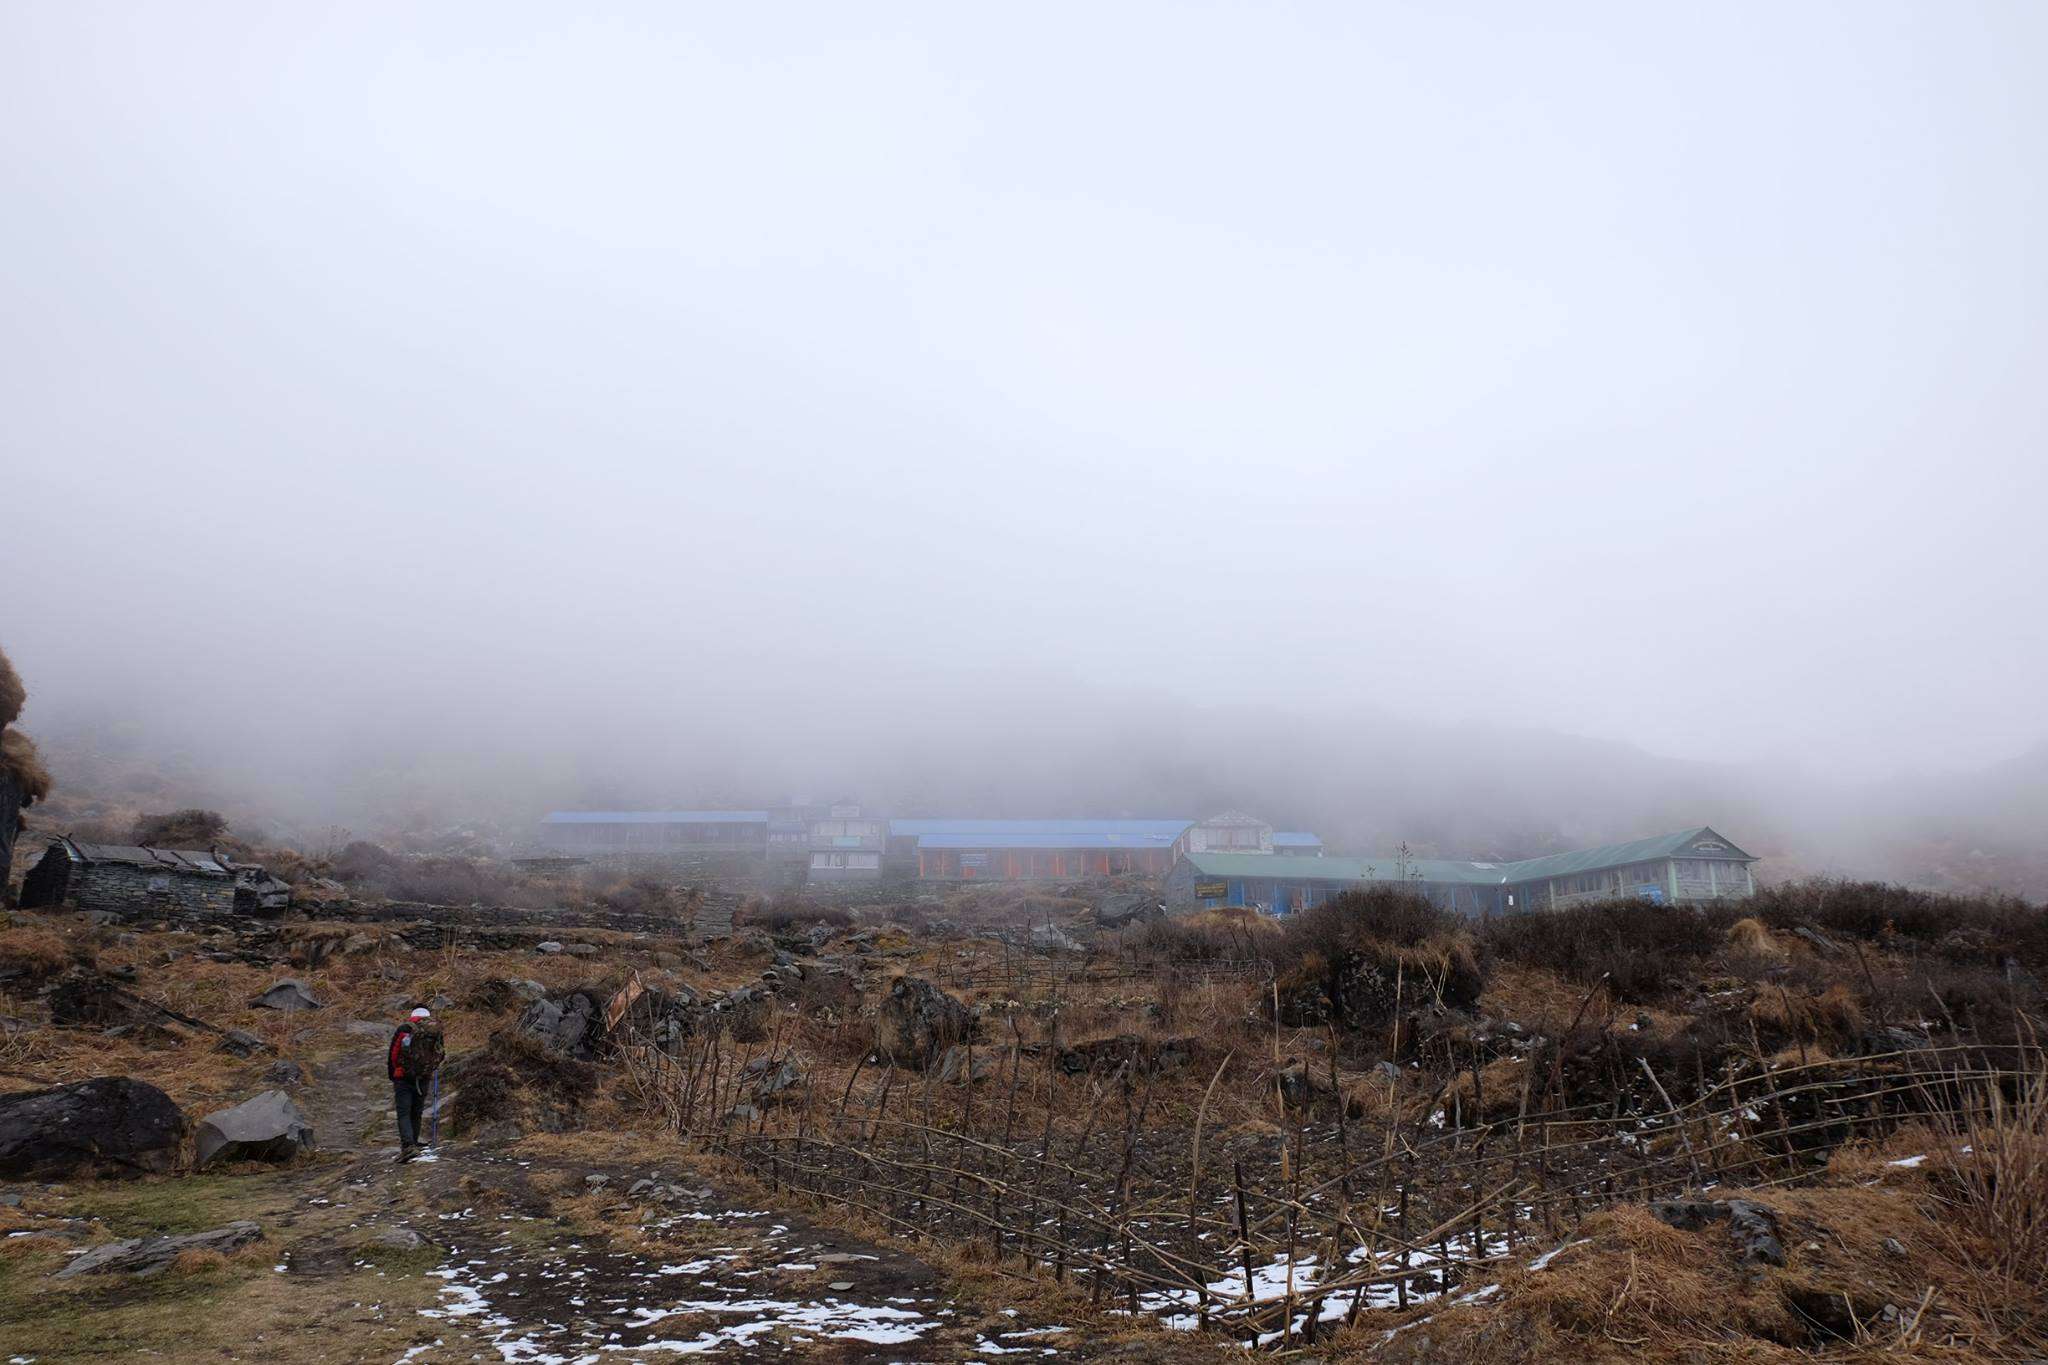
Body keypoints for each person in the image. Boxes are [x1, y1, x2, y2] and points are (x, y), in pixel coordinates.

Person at [387, 1006, 443, 1162]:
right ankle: (415, 1142)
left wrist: (393, 1074)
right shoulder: (435, 1031)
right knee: (416, 1111)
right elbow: (440, 1053)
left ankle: (408, 1145)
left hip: (403, 1077)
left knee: (404, 1112)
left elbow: (394, 1053)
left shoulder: (405, 1028)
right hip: (424, 1076)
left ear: (412, 1015)